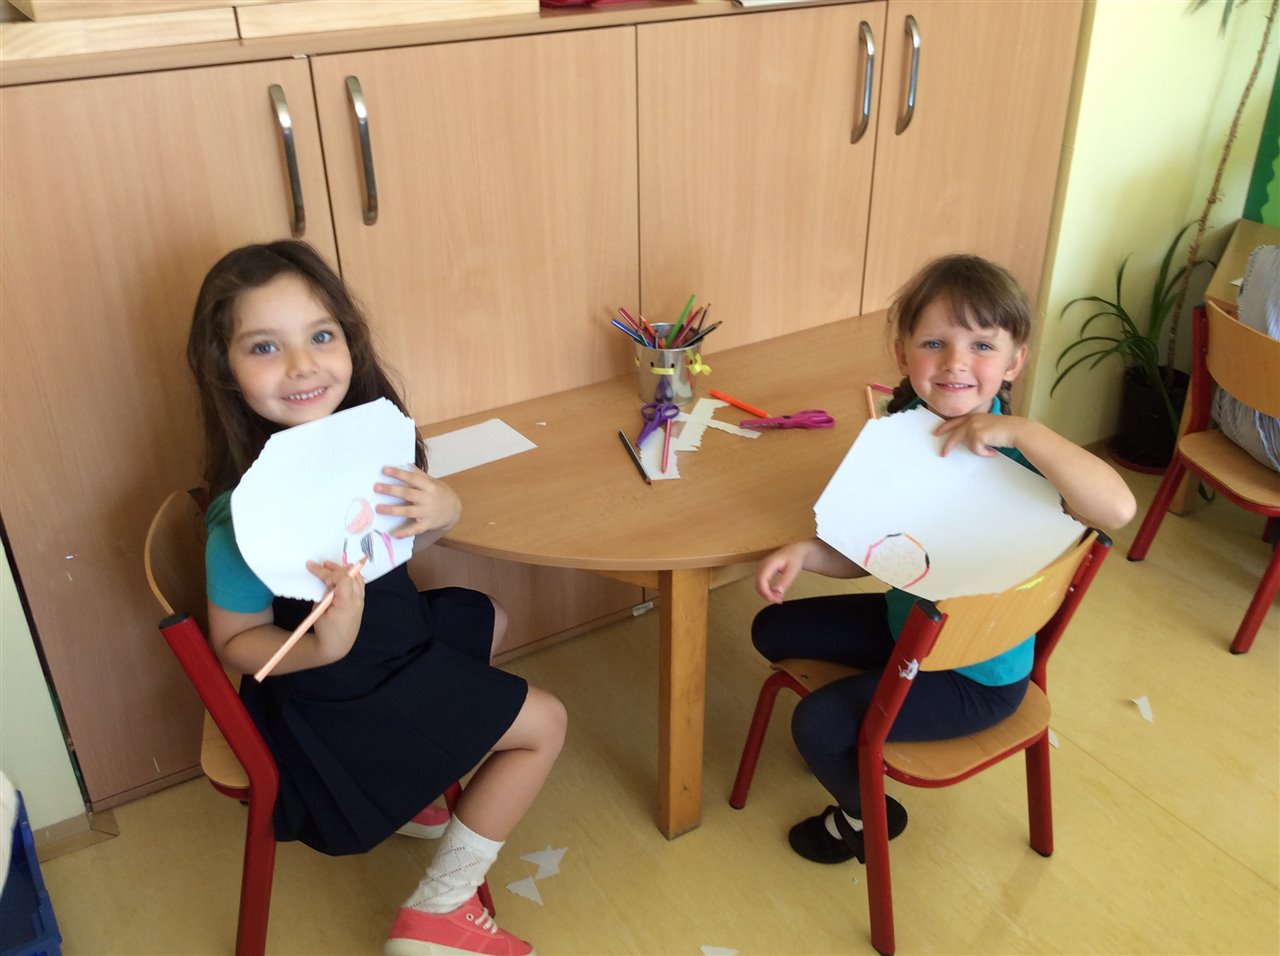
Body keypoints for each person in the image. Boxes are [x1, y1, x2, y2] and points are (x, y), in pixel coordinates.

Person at [187, 239, 566, 956]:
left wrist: (443, 513)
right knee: (545, 721)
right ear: (222, 368)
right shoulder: (243, 518)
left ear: (349, 341)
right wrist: (324, 644)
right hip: (333, 697)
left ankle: (417, 789)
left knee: (488, 616)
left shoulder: (358, 446)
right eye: (265, 346)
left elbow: (386, 551)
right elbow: (235, 643)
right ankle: (439, 911)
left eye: (320, 336)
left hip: (388, 645)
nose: (302, 365)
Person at [751, 254, 1135, 865]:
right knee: (773, 629)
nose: (956, 362)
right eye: (934, 343)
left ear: (1013, 362)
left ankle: (865, 816)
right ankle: (861, 728)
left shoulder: (1025, 453)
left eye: (981, 345)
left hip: (977, 678)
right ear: (903, 355)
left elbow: (1117, 508)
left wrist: (1025, 433)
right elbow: (874, 551)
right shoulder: (906, 431)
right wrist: (806, 553)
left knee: (818, 723)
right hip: (908, 628)